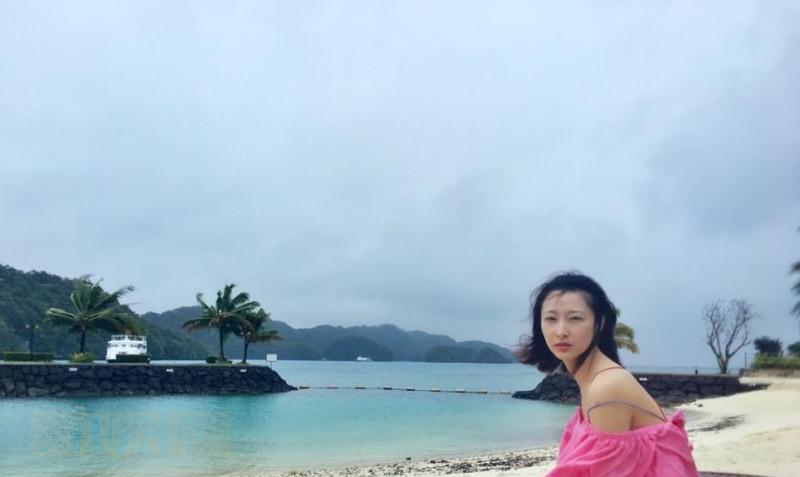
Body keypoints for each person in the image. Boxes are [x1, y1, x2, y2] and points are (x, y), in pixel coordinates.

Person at [517, 272, 698, 477]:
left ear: (600, 324)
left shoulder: (606, 387)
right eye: (551, 319)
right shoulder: (595, 380)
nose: (561, 331)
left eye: (575, 318)